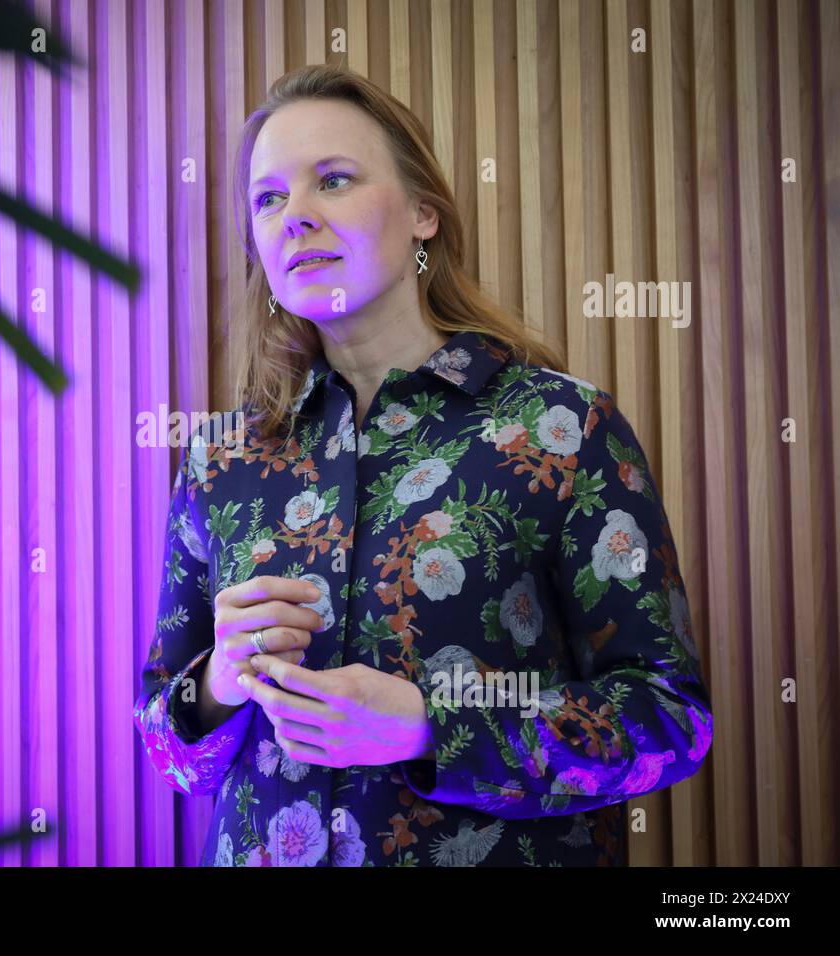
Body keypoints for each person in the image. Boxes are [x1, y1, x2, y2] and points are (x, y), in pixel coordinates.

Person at [134, 64, 713, 867]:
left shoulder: (562, 427)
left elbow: (665, 721)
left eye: (332, 180)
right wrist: (221, 683)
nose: (295, 216)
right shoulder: (219, 457)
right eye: (268, 199)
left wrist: (424, 724)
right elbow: (168, 751)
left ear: (422, 216)